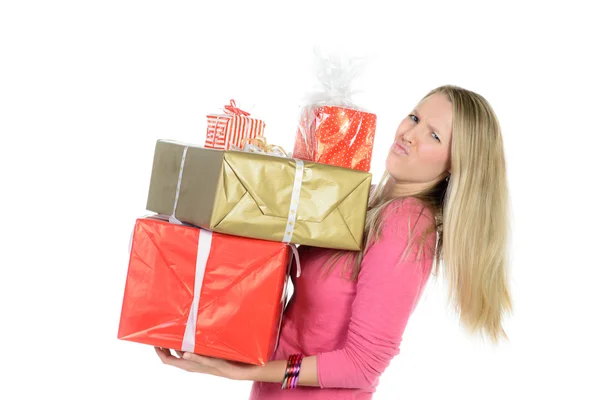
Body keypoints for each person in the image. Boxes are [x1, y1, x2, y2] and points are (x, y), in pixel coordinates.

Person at [154, 85, 513, 399]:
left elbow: (363, 365)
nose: (410, 135)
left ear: (455, 164)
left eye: (434, 136)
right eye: (414, 118)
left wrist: (245, 371)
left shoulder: (405, 223)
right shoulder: (362, 200)